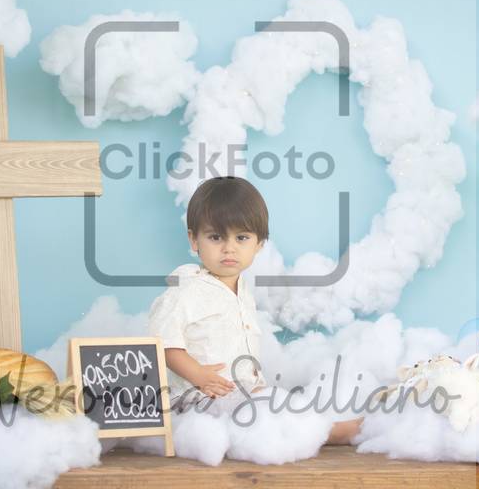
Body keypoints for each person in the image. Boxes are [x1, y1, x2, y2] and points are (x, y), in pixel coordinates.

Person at [148, 176, 363, 445]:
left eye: (241, 238)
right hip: (198, 398)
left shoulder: (242, 293)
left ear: (259, 244)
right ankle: (328, 433)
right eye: (215, 237)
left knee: (273, 406)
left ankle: (315, 427)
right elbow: (164, 345)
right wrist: (199, 375)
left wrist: (254, 382)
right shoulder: (186, 290)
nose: (229, 248)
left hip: (236, 394)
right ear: (194, 240)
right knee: (263, 412)